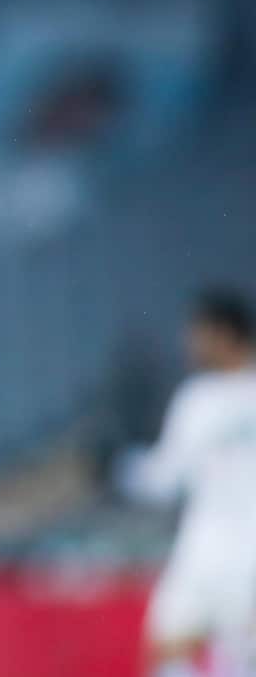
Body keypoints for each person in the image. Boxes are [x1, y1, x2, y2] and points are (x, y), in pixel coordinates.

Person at [118, 290, 256, 677]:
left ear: (226, 334)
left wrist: (121, 468)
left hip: (206, 553)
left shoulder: (199, 399)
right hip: (241, 557)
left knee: (169, 651)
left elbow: (163, 479)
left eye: (199, 333)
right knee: (236, 658)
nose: (190, 343)